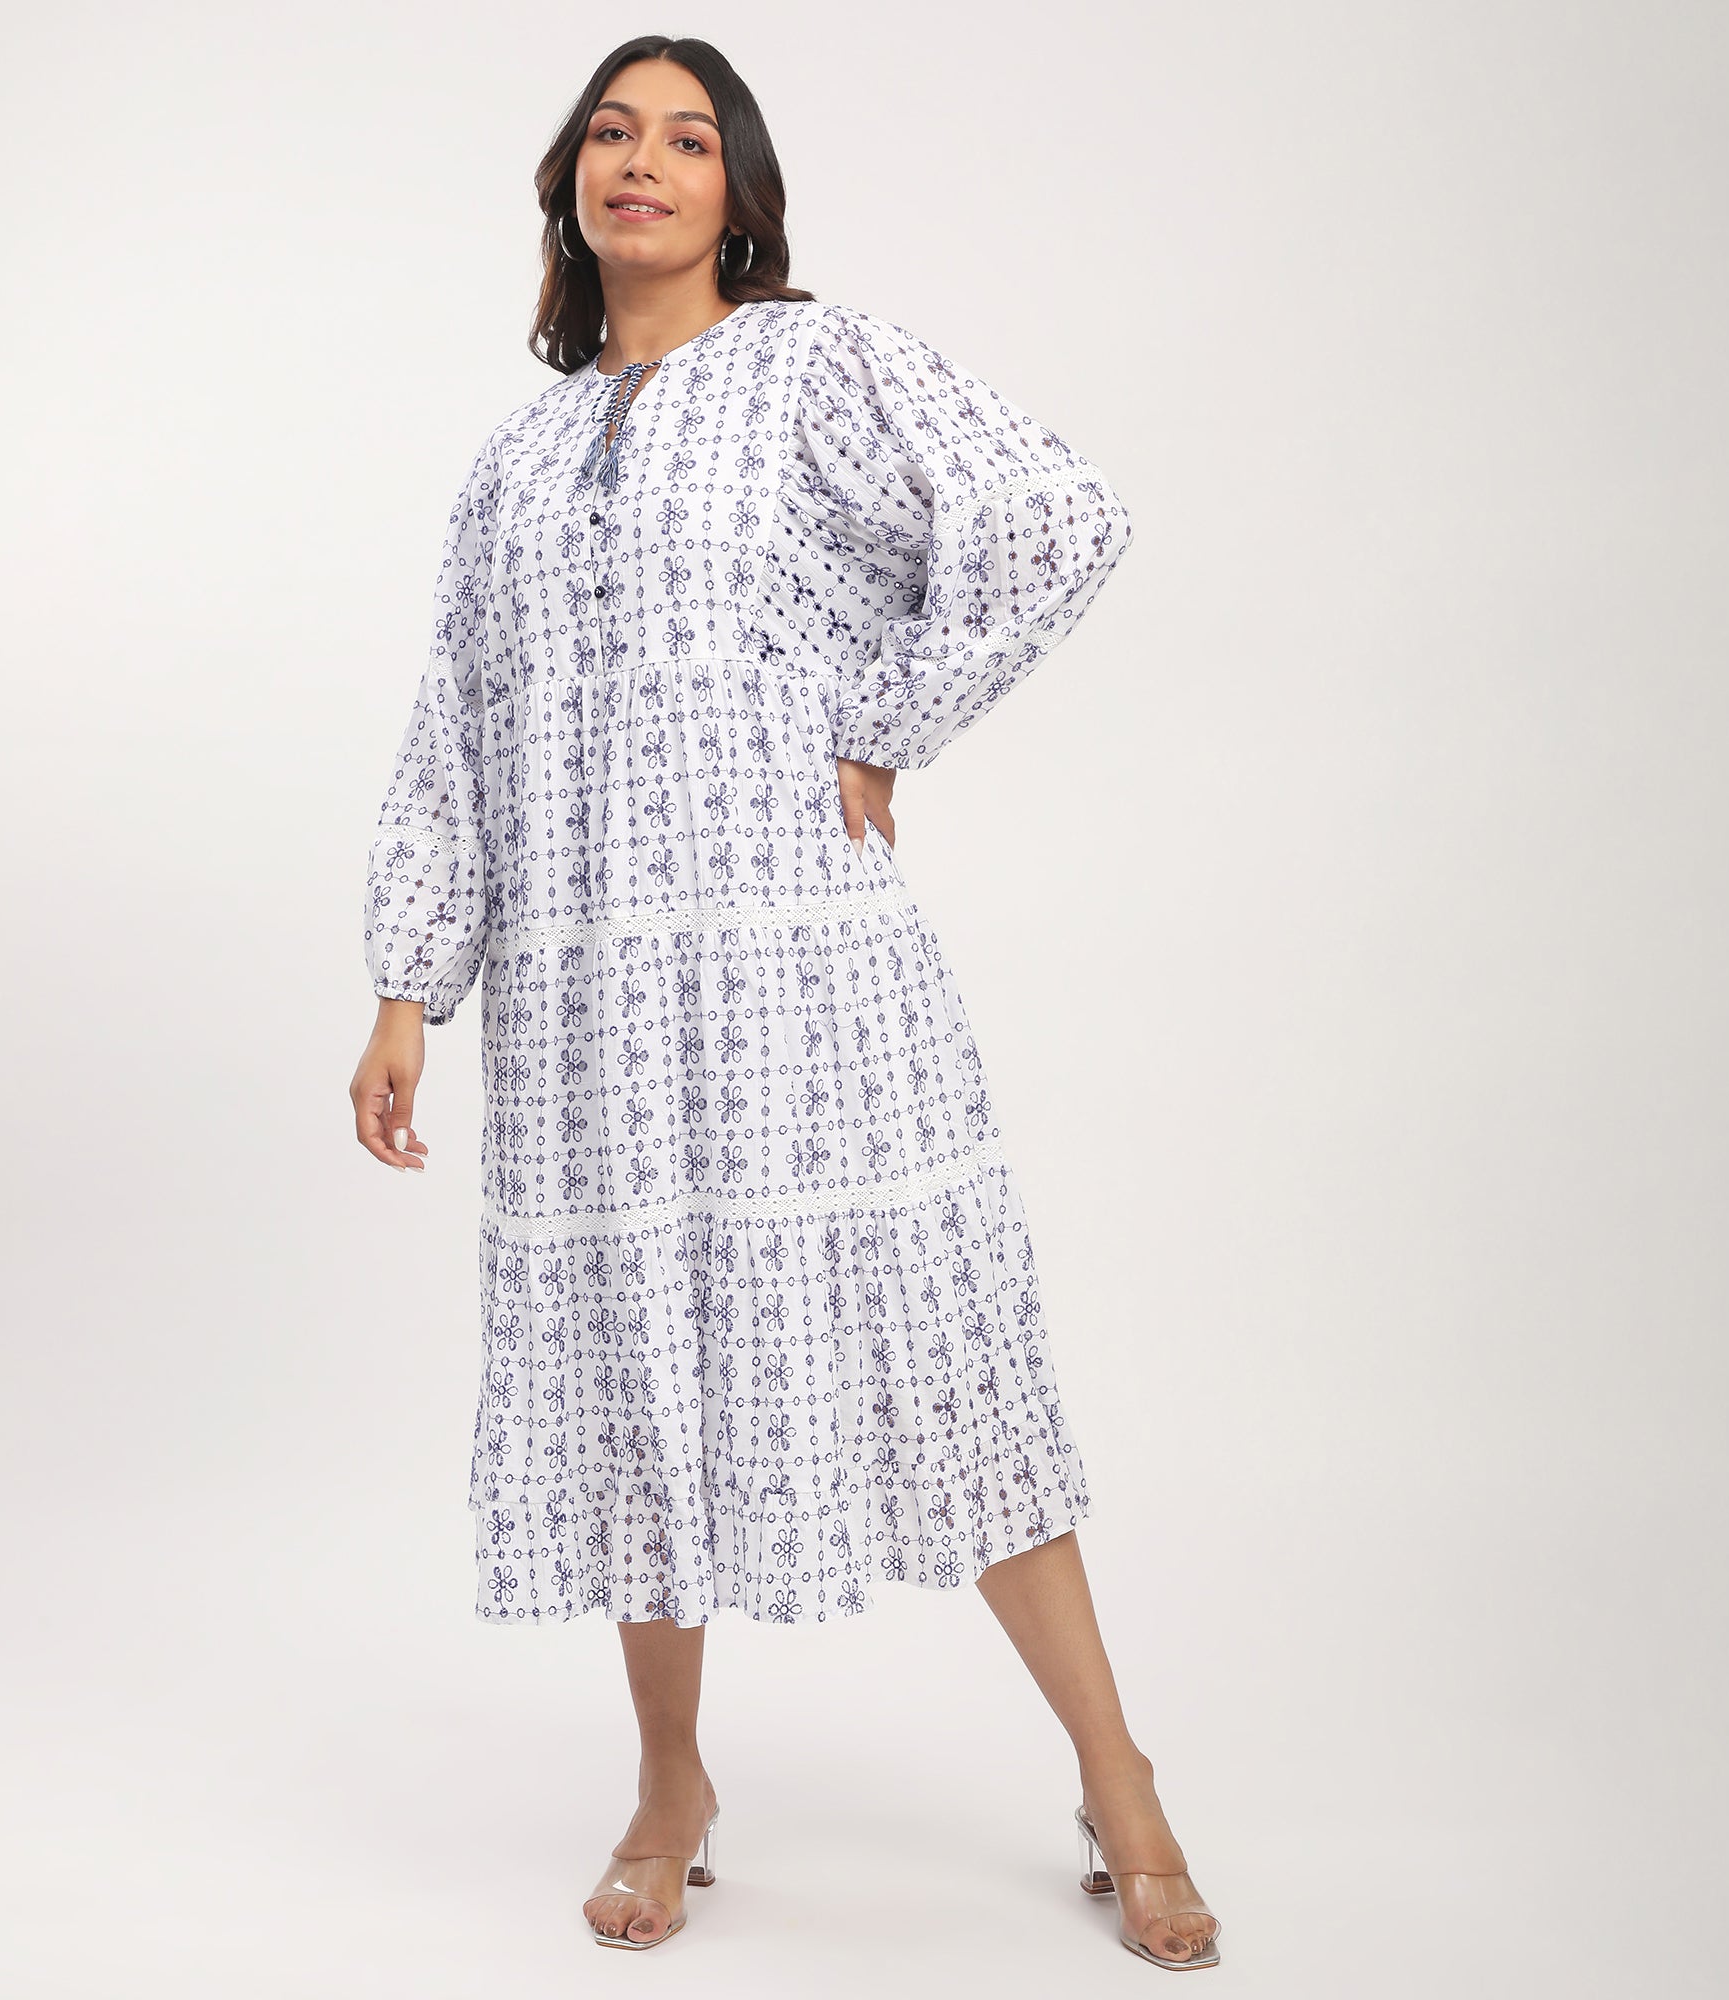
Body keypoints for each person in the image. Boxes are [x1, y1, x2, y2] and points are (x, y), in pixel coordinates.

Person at [347, 33, 1221, 1971]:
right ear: (567, 184)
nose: (639, 163)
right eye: (607, 133)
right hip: (578, 998)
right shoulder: (513, 452)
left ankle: (1119, 1772)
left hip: (795, 972)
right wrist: (412, 981)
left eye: (683, 139)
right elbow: (454, 727)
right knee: (629, 1382)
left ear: (738, 190)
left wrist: (881, 725)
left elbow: (1053, 519)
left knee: (946, 1352)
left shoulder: (821, 362)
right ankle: (671, 1783)